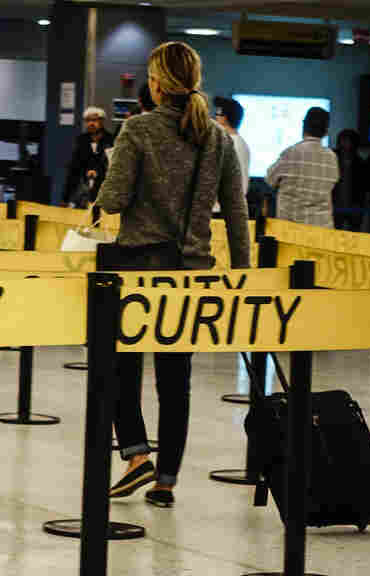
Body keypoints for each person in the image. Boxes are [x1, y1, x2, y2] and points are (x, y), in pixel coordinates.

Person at [96, 41, 250, 508]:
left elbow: (115, 199)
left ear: (158, 83)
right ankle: (166, 481)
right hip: (192, 271)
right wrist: (243, 271)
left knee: (121, 366)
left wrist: (105, 184)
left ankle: (137, 456)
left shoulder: (137, 129)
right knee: (175, 378)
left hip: (140, 267)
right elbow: (237, 211)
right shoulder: (218, 139)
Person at [266, 107, 339, 228]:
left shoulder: (291, 153)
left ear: (303, 126)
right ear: (326, 132)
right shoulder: (332, 157)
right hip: (322, 229)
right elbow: (333, 184)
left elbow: (269, 179)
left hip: (291, 229)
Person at [66, 107, 115, 208]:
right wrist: (65, 197)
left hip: (103, 189)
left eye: (94, 120)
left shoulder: (111, 140)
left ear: (101, 121)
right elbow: (74, 168)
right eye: (88, 120)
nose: (91, 124)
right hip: (83, 190)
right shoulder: (81, 140)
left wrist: (98, 172)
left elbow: (113, 166)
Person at [213, 96, 250, 214]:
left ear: (224, 118)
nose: (214, 118)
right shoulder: (240, 143)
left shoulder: (228, 144)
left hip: (222, 211)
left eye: (217, 114)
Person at [332, 129, 367, 231]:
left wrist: (360, 205)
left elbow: (363, 188)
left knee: (354, 236)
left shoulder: (360, 163)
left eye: (348, 141)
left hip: (354, 206)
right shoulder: (332, 159)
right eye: (343, 141)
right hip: (335, 205)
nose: (345, 144)